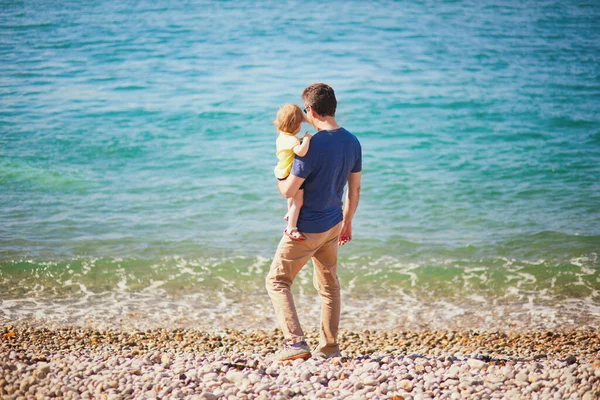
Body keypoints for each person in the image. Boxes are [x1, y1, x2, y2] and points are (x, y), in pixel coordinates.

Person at [265, 83, 362, 361]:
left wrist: (279, 172)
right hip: (334, 223)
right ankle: (330, 347)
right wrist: (348, 221)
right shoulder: (352, 141)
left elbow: (288, 191)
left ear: (311, 110)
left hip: (306, 228)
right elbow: (354, 190)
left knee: (277, 281)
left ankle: (295, 343)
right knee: (330, 287)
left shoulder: (310, 147)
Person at [273, 104, 312, 241]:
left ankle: (289, 212)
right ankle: (291, 227)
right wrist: (306, 138)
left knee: (292, 196)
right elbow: (301, 152)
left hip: (281, 172)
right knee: (298, 201)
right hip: (289, 174)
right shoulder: (292, 140)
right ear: (296, 125)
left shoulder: (282, 137)